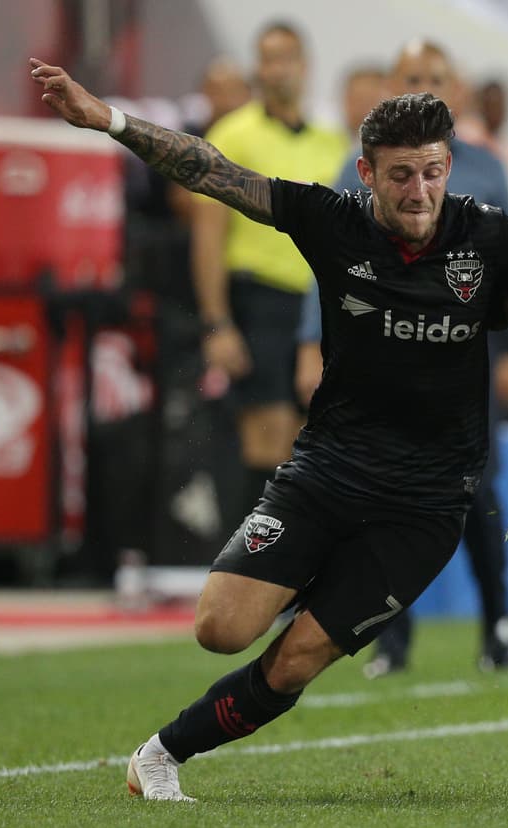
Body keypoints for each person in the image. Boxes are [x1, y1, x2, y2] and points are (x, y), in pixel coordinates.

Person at [30, 57, 508, 802]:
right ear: (366, 173)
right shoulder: (332, 222)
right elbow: (213, 170)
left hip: (428, 503)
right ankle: (314, 580)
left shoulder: (488, 237)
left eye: (432, 172)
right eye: (401, 175)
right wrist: (108, 119)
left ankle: (161, 756)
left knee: (299, 657)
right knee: (221, 627)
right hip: (328, 472)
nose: (420, 192)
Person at [296, 39, 508, 675]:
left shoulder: (489, 169)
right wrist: (309, 343)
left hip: (463, 361)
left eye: (438, 76)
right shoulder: (357, 168)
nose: (428, 85)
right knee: (377, 495)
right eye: (414, 76)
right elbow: (321, 264)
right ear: (391, 84)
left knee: (478, 491)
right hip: (376, 363)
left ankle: (498, 621)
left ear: (457, 89)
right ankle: (389, 635)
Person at [193, 22, 349, 521]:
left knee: (322, 443)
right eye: (267, 58)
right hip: (260, 301)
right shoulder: (231, 135)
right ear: (256, 68)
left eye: (287, 58)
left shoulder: (335, 145)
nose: (277, 68)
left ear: (305, 67)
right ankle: (250, 580)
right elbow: (209, 238)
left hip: (324, 306)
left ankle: (300, 580)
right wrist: (217, 323)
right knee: (267, 439)